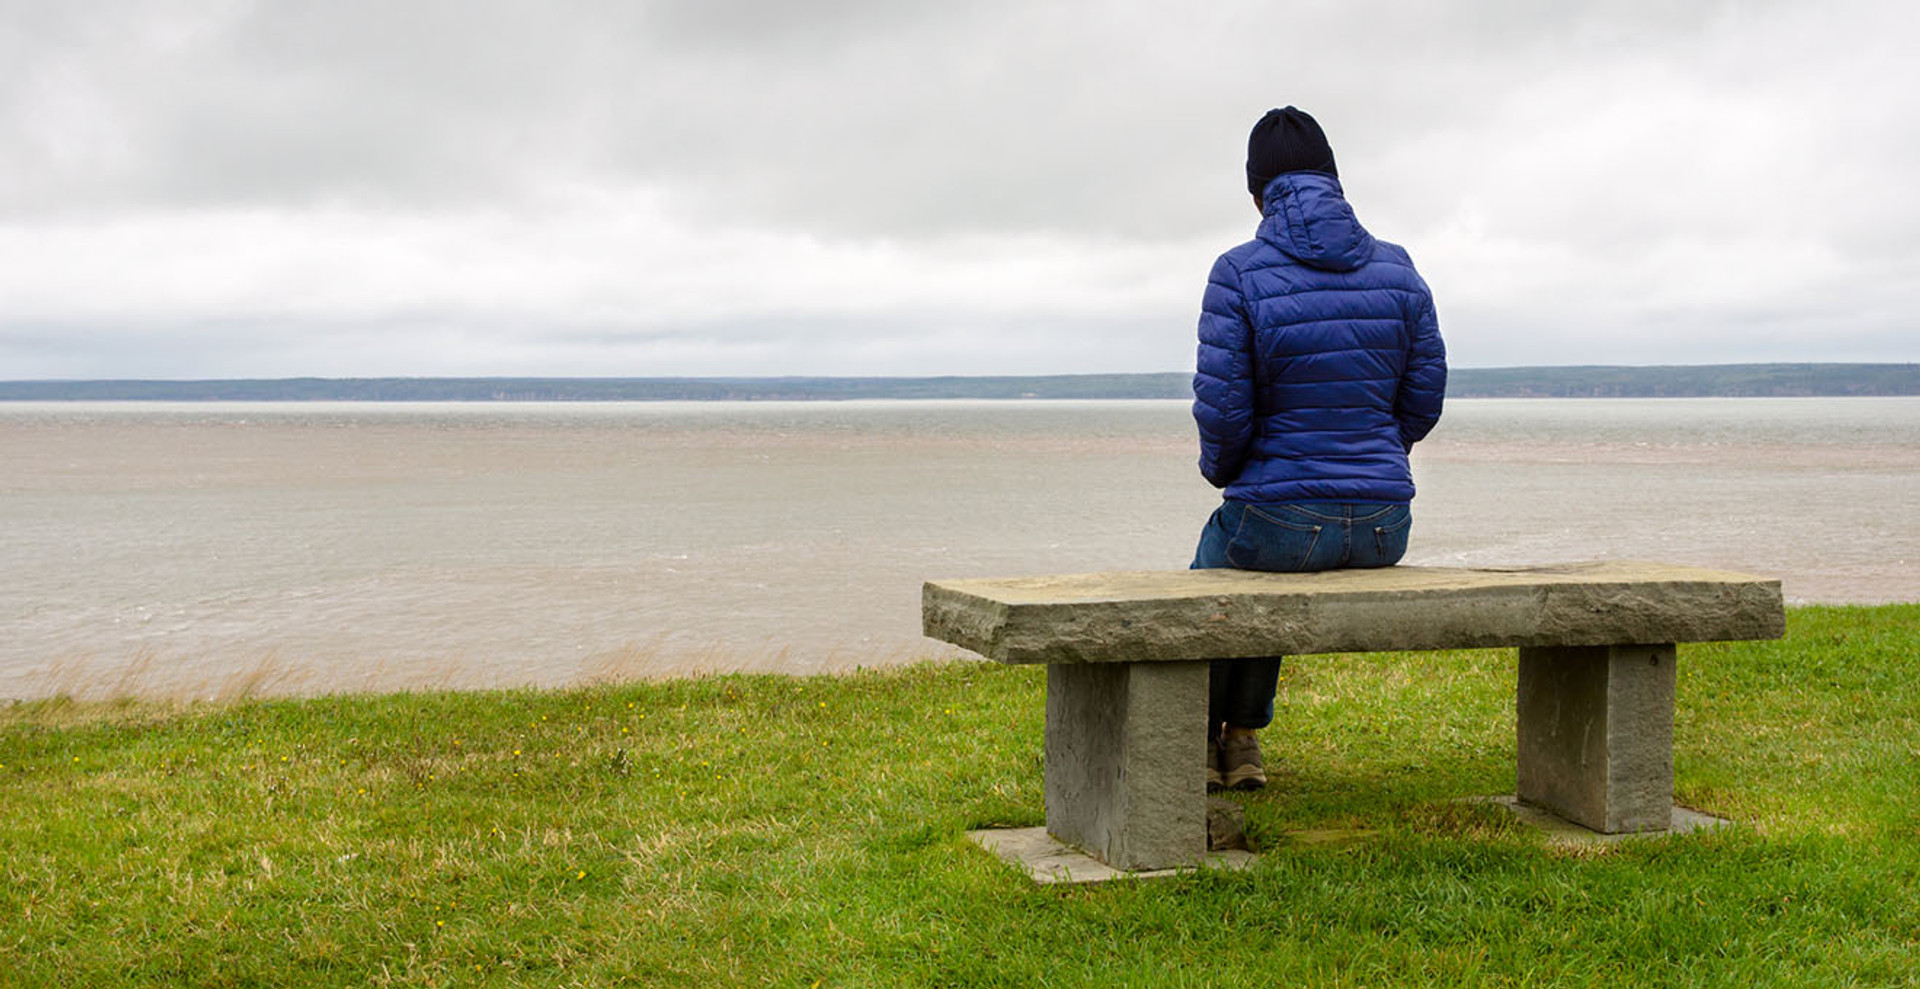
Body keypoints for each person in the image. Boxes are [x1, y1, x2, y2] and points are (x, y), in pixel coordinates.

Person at [1191, 106, 1446, 791]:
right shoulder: (1398, 268)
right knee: (1261, 557)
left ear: (1256, 193)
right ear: (1334, 179)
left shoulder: (1238, 273)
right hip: (1384, 523)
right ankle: (1241, 740)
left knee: (1217, 570)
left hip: (1277, 521)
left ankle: (1205, 737)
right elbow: (1424, 398)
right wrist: (1377, 456)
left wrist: (1229, 474)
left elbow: (1223, 414)